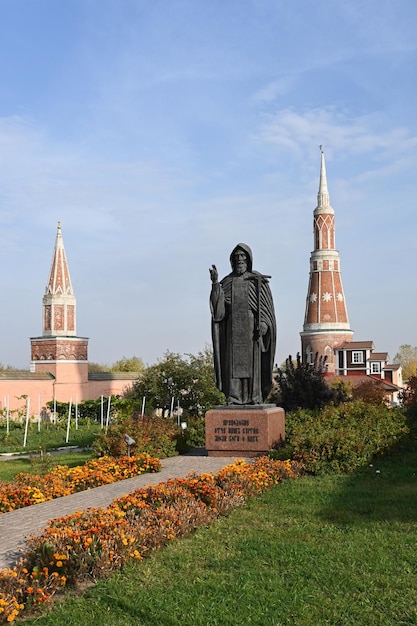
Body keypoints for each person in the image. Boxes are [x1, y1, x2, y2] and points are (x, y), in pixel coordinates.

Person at [209, 243, 276, 405]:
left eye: (242, 256)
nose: (240, 259)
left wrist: (264, 325)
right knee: (233, 365)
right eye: (236, 257)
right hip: (233, 332)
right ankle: (234, 397)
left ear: (248, 259)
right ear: (232, 260)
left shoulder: (257, 281)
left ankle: (254, 397)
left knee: (253, 366)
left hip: (252, 333)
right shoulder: (226, 282)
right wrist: (215, 284)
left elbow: (267, 312)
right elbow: (218, 313)